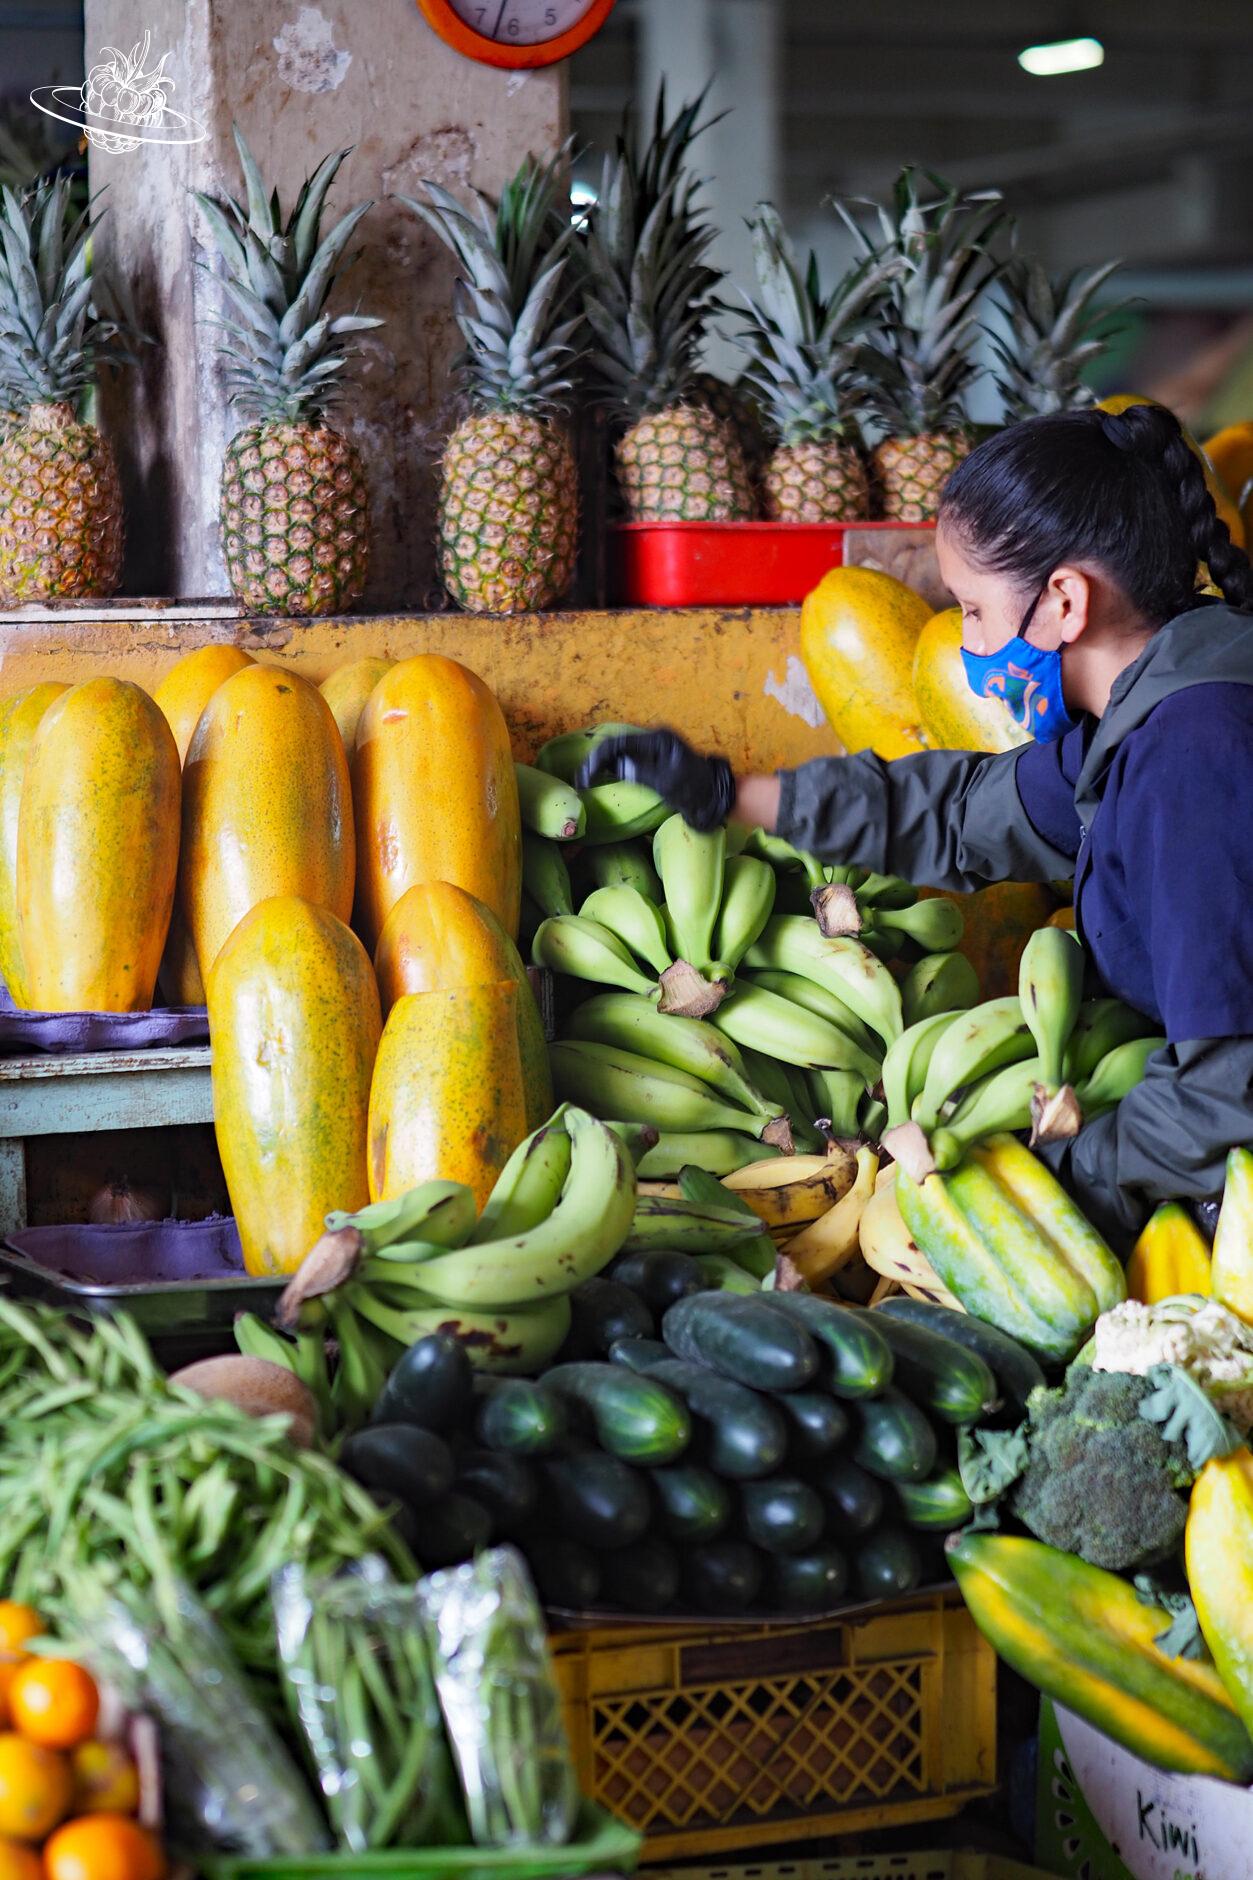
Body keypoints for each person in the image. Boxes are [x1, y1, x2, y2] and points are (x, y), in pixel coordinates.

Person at [580, 402, 1253, 1247]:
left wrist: (1042, 1197)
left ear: (1064, 602)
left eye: (971, 610)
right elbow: (962, 812)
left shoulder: (1194, 760)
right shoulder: (1160, 692)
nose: (968, 646)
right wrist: (727, 793)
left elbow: (1226, 1092)